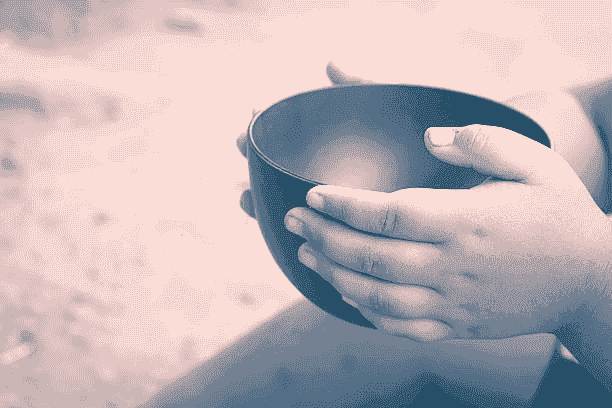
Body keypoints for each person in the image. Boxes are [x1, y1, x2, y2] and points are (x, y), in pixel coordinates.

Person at [141, 63, 612, 407]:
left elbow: (584, 286)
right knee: (377, 322)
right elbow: (599, 121)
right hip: (554, 345)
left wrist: (583, 285)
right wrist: (472, 145)